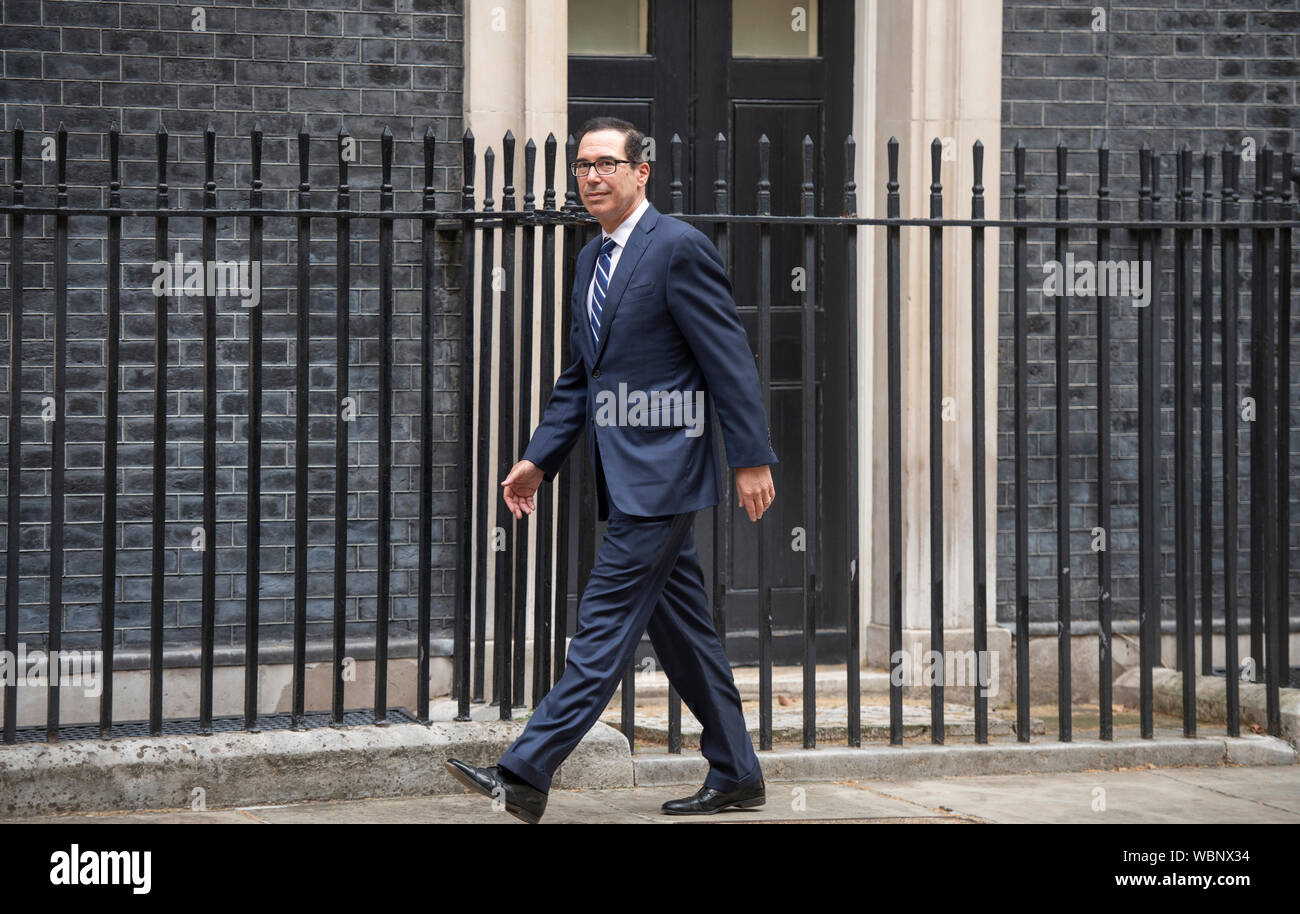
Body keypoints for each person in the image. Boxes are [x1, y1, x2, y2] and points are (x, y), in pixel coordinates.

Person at [445, 116, 778, 824]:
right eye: (582, 167)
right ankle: (739, 773)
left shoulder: (677, 248)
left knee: (600, 626)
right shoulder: (591, 261)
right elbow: (582, 379)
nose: (591, 177)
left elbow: (730, 359)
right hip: (622, 472)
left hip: (664, 473)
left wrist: (750, 458)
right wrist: (539, 458)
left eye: (605, 164)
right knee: (684, 634)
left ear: (640, 172)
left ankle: (526, 772)